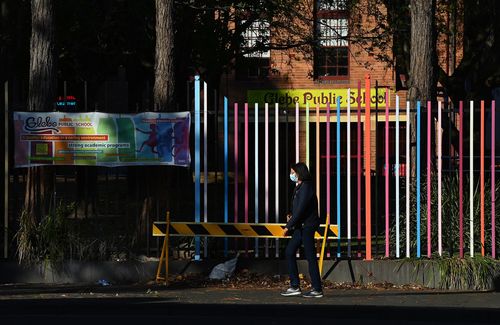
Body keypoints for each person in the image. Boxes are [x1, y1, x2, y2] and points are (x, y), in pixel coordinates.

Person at [281, 162, 323, 298]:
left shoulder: (306, 187)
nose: (291, 175)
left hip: (307, 226)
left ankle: (317, 288)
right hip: (301, 226)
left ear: (299, 173)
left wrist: (288, 226)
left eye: (293, 172)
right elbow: (297, 208)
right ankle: (295, 286)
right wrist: (291, 215)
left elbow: (301, 209)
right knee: (289, 251)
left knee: (310, 257)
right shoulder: (299, 187)